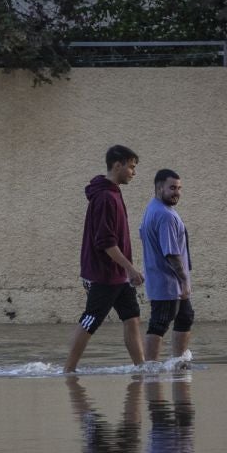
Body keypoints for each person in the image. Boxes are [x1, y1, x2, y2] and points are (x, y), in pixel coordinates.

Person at [65, 144, 145, 374]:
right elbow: (106, 242)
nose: (133, 172)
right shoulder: (105, 198)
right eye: (131, 167)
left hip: (118, 276)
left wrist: (126, 271)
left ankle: (140, 368)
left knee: (132, 317)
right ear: (117, 164)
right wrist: (130, 268)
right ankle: (68, 370)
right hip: (103, 275)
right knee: (90, 320)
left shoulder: (114, 193)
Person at [138, 168, 194, 363]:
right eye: (172, 188)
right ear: (159, 187)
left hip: (164, 281)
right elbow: (171, 253)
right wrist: (184, 281)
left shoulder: (153, 208)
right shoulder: (165, 215)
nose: (176, 192)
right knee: (160, 322)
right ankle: (150, 366)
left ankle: (179, 361)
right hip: (167, 283)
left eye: (179, 188)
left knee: (185, 317)